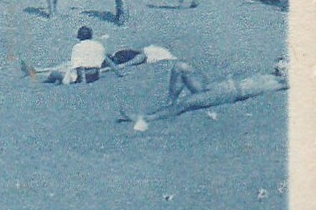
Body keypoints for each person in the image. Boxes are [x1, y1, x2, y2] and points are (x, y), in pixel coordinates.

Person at [124, 58, 288, 130]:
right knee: (180, 66)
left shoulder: (279, 82)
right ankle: (168, 105)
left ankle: (146, 118)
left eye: (284, 64)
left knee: (187, 102)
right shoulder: (271, 76)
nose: (279, 64)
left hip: (227, 93)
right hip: (217, 84)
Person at [22, 25, 113, 85]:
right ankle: (37, 70)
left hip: (82, 76)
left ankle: (38, 72)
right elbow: (107, 61)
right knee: (65, 65)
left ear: (79, 37)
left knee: (57, 72)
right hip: (95, 75)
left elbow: (79, 67)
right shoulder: (98, 45)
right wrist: (120, 73)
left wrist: (82, 83)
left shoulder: (78, 47)